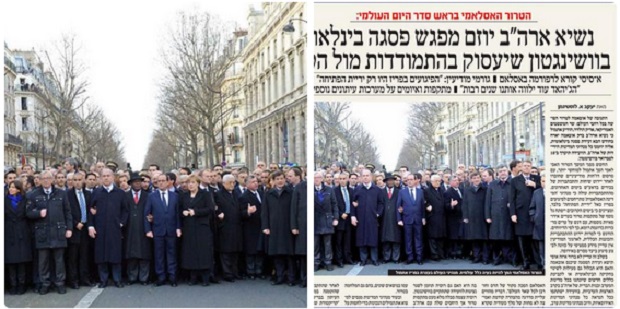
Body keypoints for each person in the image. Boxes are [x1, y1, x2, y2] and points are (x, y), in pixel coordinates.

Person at [26, 172, 72, 295]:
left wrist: (69, 229)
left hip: (59, 232)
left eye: (48, 178)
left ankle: (60, 283)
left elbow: (68, 212)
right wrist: (38, 213)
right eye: (43, 178)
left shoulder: (61, 194)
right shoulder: (33, 195)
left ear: (52, 179)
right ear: (39, 180)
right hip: (42, 233)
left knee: (59, 261)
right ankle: (44, 284)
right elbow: (28, 213)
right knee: (43, 262)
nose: (46, 180)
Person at [88, 168, 129, 288]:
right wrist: (91, 225)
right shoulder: (96, 193)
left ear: (112, 178)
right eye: (103, 176)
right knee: (101, 255)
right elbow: (90, 210)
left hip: (114, 228)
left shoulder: (120, 193)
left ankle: (117, 279)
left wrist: (121, 223)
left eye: (108, 176)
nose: (106, 178)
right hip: (100, 228)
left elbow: (125, 210)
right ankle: (103, 280)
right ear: (100, 178)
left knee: (115, 255)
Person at [144, 174, 182, 287]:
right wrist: (148, 230)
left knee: (172, 254)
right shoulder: (151, 196)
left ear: (168, 182)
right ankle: (161, 276)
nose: (161, 183)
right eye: (158, 181)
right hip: (157, 230)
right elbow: (146, 214)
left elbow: (177, 214)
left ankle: (172, 276)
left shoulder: (175, 196)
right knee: (159, 255)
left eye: (163, 181)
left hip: (171, 230)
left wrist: (178, 228)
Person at [262, 170, 296, 285]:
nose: (280, 181)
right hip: (274, 227)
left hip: (287, 227)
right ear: (273, 181)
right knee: (277, 254)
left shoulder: (290, 192)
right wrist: (265, 226)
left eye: (281, 178)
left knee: (289, 255)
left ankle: (291, 278)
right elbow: (264, 212)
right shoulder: (268, 193)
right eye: (277, 179)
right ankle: (279, 276)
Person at [180, 175, 215, 286]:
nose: (190, 184)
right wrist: (183, 212)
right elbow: (180, 209)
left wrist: (196, 212)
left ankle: (205, 278)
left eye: (193, 182)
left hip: (202, 227)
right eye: (189, 182)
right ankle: (193, 277)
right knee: (191, 252)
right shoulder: (184, 196)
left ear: (198, 183)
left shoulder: (205, 194)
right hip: (189, 227)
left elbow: (210, 209)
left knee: (203, 252)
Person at [509, 160, 541, 270]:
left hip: (534, 213)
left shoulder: (536, 178)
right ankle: (525, 262)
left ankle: (538, 262)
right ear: (521, 167)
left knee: (534, 239)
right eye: (524, 165)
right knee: (522, 239)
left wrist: (535, 185)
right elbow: (511, 199)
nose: (526, 167)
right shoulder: (515, 180)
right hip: (520, 213)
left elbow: (544, 190)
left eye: (528, 165)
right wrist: (513, 214)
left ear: (531, 167)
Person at [351, 169, 384, 266]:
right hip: (360, 218)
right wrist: (353, 216)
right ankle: (363, 259)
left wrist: (378, 213)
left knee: (373, 239)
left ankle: (374, 259)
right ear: (361, 177)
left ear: (371, 177)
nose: (365, 177)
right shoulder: (357, 189)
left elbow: (381, 203)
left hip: (372, 218)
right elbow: (353, 203)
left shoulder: (377, 190)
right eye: (363, 176)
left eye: (367, 175)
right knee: (362, 239)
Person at [66, 172, 94, 288]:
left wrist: (88, 224)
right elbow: (67, 212)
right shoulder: (67, 194)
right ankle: (74, 280)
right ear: (72, 181)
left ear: (83, 180)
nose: (77, 182)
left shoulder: (88, 194)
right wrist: (75, 223)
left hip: (85, 229)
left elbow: (90, 211)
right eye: (75, 180)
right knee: (73, 257)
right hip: (74, 229)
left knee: (84, 256)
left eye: (79, 180)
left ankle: (84, 278)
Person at [5, 180, 33, 295]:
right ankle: (13, 284)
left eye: (13, 187)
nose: (11, 189)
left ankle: (22, 284)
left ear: (18, 189)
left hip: (22, 232)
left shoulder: (25, 200)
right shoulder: (4, 201)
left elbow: (29, 214)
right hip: (9, 232)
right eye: (10, 187)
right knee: (11, 261)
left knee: (22, 261)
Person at [214, 174, 243, 282]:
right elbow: (214, 207)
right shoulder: (218, 194)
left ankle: (235, 272)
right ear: (223, 183)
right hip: (225, 226)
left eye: (234, 182)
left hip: (236, 226)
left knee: (235, 251)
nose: (232, 184)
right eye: (230, 182)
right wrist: (219, 214)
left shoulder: (236, 193)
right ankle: (227, 273)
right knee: (225, 252)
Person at [124, 173, 152, 285]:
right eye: (135, 181)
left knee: (144, 254)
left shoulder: (148, 195)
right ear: (130, 183)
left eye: (139, 181)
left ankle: (144, 278)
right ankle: (132, 277)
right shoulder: (125, 196)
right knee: (131, 254)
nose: (138, 183)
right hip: (129, 228)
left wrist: (152, 217)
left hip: (143, 227)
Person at [484, 165, 513, 266]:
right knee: (495, 238)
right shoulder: (492, 184)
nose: (503, 173)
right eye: (500, 171)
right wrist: (487, 216)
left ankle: (507, 257)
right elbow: (487, 201)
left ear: (507, 172)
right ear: (497, 173)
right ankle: (496, 258)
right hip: (495, 215)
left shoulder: (512, 183)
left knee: (507, 237)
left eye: (504, 171)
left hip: (508, 214)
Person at [239, 175, 265, 280]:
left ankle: (259, 270)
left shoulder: (262, 193)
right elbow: (240, 213)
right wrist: (248, 212)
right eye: (253, 182)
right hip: (250, 227)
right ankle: (251, 271)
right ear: (247, 184)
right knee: (250, 250)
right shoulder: (243, 196)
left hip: (261, 226)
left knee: (259, 250)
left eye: (256, 181)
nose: (256, 183)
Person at [396, 173, 425, 265]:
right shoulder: (402, 192)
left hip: (418, 219)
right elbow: (398, 206)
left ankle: (419, 257)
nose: (409, 181)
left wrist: (423, 217)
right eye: (407, 180)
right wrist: (399, 219)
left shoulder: (420, 191)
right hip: (407, 219)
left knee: (418, 238)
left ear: (415, 180)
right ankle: (410, 257)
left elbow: (422, 206)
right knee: (408, 239)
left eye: (411, 179)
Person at [461, 173, 489, 264]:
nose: (476, 179)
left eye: (478, 177)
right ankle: (476, 257)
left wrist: (488, 216)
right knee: (474, 239)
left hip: (482, 216)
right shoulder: (467, 190)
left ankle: (485, 258)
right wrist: (465, 216)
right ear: (471, 180)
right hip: (471, 217)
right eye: (474, 178)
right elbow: (464, 204)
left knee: (484, 239)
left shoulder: (485, 189)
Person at [314, 172, 338, 271]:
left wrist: (335, 218)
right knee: (315, 244)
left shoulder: (329, 190)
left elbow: (334, 204)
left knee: (327, 244)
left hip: (327, 219)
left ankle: (328, 262)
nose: (316, 179)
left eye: (318, 177)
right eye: (314, 178)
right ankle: (316, 262)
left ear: (322, 179)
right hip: (314, 220)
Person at [290, 169, 307, 288]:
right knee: (303, 254)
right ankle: (303, 279)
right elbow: (293, 209)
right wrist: (294, 226)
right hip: (301, 226)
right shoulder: (299, 188)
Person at [424, 175, 446, 261]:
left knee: (440, 236)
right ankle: (434, 254)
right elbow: (424, 201)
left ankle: (441, 253)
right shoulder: (427, 191)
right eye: (436, 181)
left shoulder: (441, 190)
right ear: (432, 181)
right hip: (432, 216)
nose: (438, 182)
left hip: (441, 216)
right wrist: (427, 206)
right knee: (432, 237)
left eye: (439, 181)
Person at [334, 172, 354, 267]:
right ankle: (339, 260)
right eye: (340, 179)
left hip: (349, 219)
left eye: (344, 179)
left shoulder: (351, 190)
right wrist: (340, 214)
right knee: (339, 241)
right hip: (340, 219)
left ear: (347, 179)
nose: (342, 181)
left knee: (348, 240)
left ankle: (348, 258)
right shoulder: (334, 191)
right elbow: (334, 205)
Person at [381, 174, 401, 264]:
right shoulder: (381, 192)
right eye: (388, 180)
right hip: (384, 219)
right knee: (386, 239)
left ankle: (396, 258)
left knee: (396, 239)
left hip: (395, 218)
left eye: (392, 180)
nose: (390, 182)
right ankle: (386, 257)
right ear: (385, 182)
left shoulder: (399, 192)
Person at [529, 172, 545, 269]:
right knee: (541, 246)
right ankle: (543, 263)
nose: (545, 183)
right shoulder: (537, 193)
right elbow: (532, 208)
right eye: (543, 181)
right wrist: (534, 217)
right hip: (539, 223)